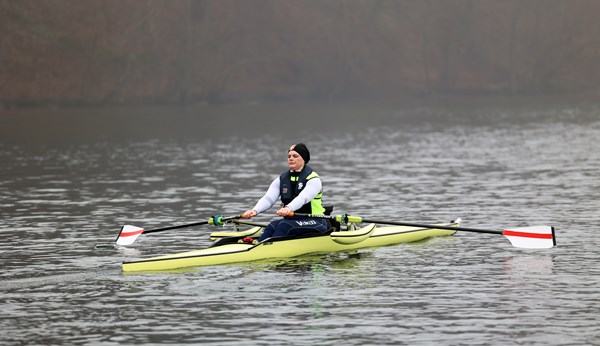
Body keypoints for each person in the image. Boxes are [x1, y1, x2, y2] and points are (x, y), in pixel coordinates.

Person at [241, 143, 329, 242]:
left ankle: (267, 250)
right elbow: (268, 198)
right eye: (289, 156)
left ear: (304, 159)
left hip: (316, 221)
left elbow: (303, 198)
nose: (291, 158)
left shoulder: (313, 179)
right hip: (292, 220)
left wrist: (288, 208)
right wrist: (255, 210)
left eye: (295, 156)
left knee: (284, 225)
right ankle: (258, 245)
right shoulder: (282, 179)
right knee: (271, 226)